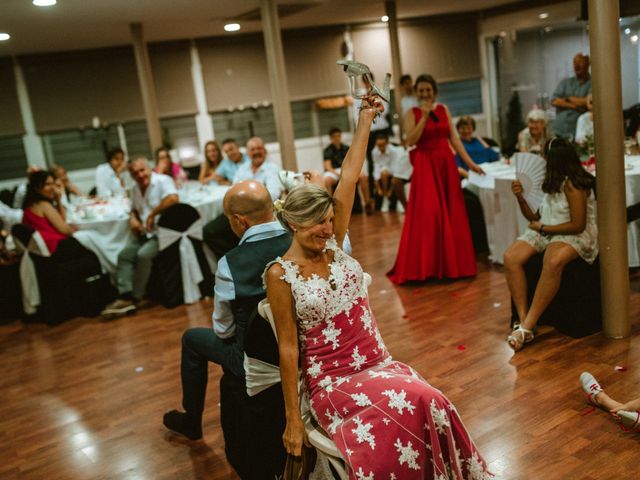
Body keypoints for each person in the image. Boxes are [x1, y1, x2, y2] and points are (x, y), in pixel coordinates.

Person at [265, 96, 491, 479]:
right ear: (293, 224)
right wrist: (292, 419)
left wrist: (366, 118)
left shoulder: (333, 243)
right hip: (333, 382)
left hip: (378, 363)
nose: (326, 229)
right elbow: (288, 349)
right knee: (416, 401)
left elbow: (350, 174)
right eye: (317, 223)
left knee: (432, 401)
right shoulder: (280, 274)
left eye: (329, 219)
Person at [163, 180, 291, 439]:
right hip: (300, 348)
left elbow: (223, 330)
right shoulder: (300, 244)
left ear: (239, 221)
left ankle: (191, 421)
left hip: (253, 359)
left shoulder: (228, 265)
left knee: (191, 339)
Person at [387, 74, 483, 284]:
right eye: (420, 90)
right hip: (425, 165)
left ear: (434, 91)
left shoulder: (444, 110)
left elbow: (455, 140)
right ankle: (428, 267)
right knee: (430, 214)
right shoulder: (411, 113)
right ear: (416, 92)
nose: (424, 94)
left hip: (445, 164)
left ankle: (453, 266)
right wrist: (423, 116)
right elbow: (411, 139)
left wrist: (470, 164)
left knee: (451, 213)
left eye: (428, 90)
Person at [504, 137, 597, 351]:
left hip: (574, 233)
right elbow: (534, 216)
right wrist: (520, 198)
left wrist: (544, 229)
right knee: (511, 257)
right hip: (548, 229)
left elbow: (578, 225)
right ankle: (524, 318)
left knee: (553, 259)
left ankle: (527, 325)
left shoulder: (573, 184)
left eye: (545, 157)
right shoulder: (550, 182)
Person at [101, 156, 179, 317]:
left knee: (143, 255)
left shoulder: (163, 181)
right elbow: (134, 209)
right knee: (124, 255)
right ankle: (125, 295)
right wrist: (133, 219)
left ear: (149, 168)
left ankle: (136, 297)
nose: (140, 175)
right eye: (135, 173)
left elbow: (173, 199)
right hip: (146, 233)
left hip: (163, 233)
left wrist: (152, 214)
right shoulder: (134, 188)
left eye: (142, 170)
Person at [203, 137, 281, 260]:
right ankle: (235, 259)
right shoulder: (243, 168)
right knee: (209, 231)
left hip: (260, 213)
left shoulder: (271, 168)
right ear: (248, 153)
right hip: (239, 212)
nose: (256, 152)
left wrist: (247, 203)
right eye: (252, 149)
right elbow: (234, 189)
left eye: (259, 148)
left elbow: (273, 193)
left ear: (265, 151)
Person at [551, 53, 591, 139]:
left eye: (580, 62)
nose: (576, 65)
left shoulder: (593, 83)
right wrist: (575, 106)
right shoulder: (566, 82)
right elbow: (554, 101)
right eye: (575, 62)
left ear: (588, 64)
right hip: (559, 129)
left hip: (578, 131)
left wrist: (568, 98)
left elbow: (588, 101)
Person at [371, 132, 401, 212]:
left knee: (384, 173)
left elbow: (396, 169)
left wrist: (390, 190)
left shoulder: (393, 151)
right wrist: (378, 188)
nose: (380, 148)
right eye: (378, 145)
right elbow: (376, 169)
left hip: (394, 170)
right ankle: (384, 198)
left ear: (387, 143)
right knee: (382, 173)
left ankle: (390, 199)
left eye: (382, 145)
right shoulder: (374, 152)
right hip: (383, 173)